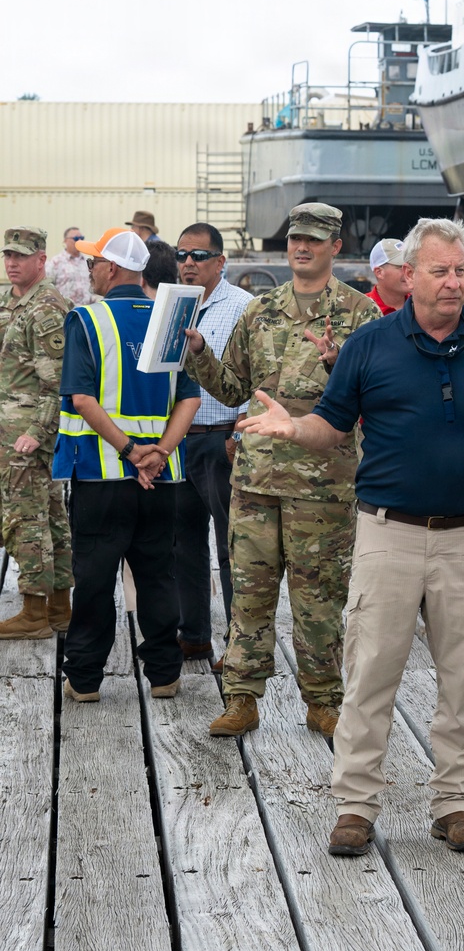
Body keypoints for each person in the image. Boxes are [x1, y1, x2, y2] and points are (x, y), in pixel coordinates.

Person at [239, 216, 464, 857]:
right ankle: (355, 808)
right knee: (370, 675)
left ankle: (456, 804)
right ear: (408, 276)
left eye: (461, 270)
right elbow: (331, 425)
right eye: (439, 271)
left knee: (463, 679)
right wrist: (292, 427)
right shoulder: (370, 344)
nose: (453, 283)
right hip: (386, 535)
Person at [183, 202, 378, 739]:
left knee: (319, 601)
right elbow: (230, 389)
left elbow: (383, 395)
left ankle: (323, 702)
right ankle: (242, 698)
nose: (302, 247)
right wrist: (198, 350)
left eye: (314, 239)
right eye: (296, 237)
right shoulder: (261, 310)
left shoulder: (362, 315)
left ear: (336, 247)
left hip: (323, 485)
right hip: (255, 481)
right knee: (248, 593)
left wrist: (343, 365)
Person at [54, 228, 201, 702]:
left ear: (111, 269)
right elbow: (189, 402)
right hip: (163, 477)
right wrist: (157, 453)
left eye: (95, 262)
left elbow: (81, 399)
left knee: (95, 579)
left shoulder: (87, 321)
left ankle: (85, 679)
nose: (91, 268)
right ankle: (164, 674)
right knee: (158, 574)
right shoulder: (170, 320)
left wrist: (128, 451)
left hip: (102, 477)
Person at [171, 224, 252, 665]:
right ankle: (194, 634)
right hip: (178, 440)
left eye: (198, 256)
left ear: (221, 262)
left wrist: (239, 433)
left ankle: (239, 643)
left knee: (232, 545)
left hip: (221, 440)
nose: (187, 263)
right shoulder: (171, 305)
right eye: (182, 255)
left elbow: (260, 377)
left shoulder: (243, 307)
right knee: (183, 542)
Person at [0, 228, 74, 640]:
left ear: (41, 260)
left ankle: (33, 612)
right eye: (8, 255)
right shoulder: (8, 299)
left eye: (21, 257)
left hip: (26, 434)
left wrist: (36, 432)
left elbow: (55, 384)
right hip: (7, 428)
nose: (12, 263)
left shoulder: (45, 308)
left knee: (25, 518)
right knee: (48, 515)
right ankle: (59, 606)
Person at [46, 227, 95, 307]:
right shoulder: (55, 262)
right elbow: (47, 287)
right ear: (65, 241)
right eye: (76, 238)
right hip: (66, 313)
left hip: (87, 312)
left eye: (81, 238)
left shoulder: (88, 262)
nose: (79, 241)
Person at [366, 238, 408, 314]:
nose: (410, 272)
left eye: (412, 266)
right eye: (401, 267)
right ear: (379, 272)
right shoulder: (360, 309)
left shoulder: (423, 305)